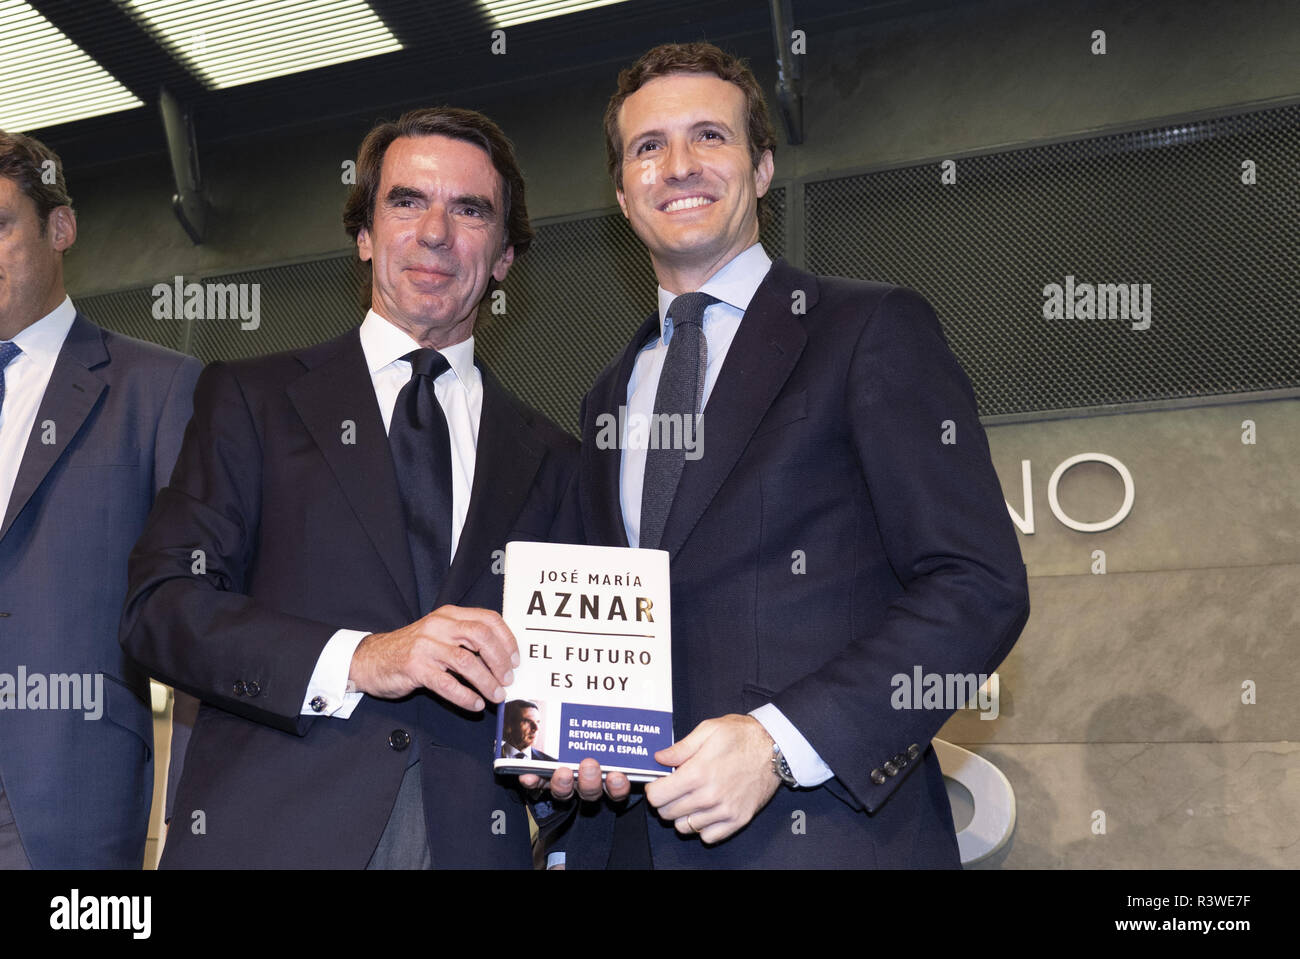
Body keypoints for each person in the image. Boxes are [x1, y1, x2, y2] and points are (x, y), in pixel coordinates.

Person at [546, 42, 1030, 868]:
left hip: (824, 838)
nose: (680, 165)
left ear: (763, 168)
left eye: (711, 136)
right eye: (649, 147)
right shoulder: (606, 397)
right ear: (624, 195)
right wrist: (568, 748)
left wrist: (778, 743)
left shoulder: (870, 330)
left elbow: (978, 587)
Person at [120, 107, 578, 868]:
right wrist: (362, 657)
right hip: (270, 837)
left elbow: (563, 680)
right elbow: (160, 608)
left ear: (503, 257)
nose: (435, 231)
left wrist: (567, 779)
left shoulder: (555, 457)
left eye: (471, 210)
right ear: (364, 235)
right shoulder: (250, 400)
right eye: (406, 201)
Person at [0, 130, 201, 868]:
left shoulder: (160, 389)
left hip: (62, 812)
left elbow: (194, 630)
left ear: (61, 228)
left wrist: (188, 823)